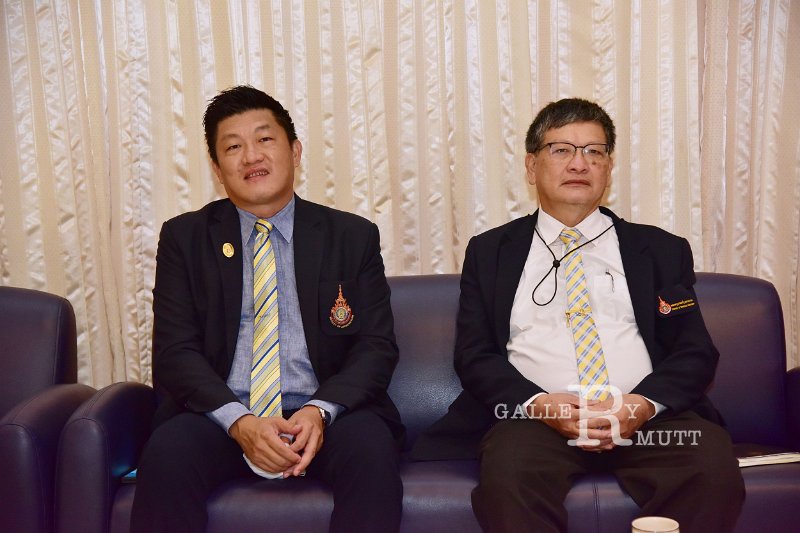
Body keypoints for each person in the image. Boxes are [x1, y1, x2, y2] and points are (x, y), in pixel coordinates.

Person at [412, 98, 744, 532]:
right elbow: (474, 354)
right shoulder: (491, 251)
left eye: (594, 151)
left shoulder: (660, 249)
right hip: (534, 421)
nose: (579, 163)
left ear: (608, 167)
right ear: (531, 166)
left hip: (649, 420)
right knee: (510, 476)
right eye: (561, 150)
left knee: (710, 467)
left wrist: (640, 405)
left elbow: (694, 350)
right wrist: (539, 405)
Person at [131, 85, 403, 533]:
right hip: (221, 416)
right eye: (233, 147)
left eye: (264, 139)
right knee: (169, 451)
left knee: (371, 449)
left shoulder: (351, 236)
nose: (251, 156)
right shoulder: (185, 238)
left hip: (325, 416)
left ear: (295, 151)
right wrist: (240, 422)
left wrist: (318, 411)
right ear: (217, 169)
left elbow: (375, 346)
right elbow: (175, 352)